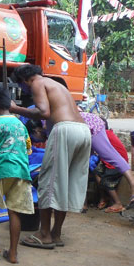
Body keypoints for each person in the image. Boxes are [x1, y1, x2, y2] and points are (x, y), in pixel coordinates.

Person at [9, 64, 91, 249]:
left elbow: (43, 112)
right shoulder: (56, 84)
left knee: (48, 182)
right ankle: (56, 233)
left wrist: (15, 109)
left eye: (21, 86)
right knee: (65, 184)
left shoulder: (37, 83)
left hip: (66, 130)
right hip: (83, 132)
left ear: (24, 81)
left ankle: (44, 234)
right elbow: (52, 116)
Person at [0, 88, 33, 264]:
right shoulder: (21, 125)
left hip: (1, 170)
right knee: (14, 210)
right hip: (22, 172)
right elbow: (28, 150)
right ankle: (13, 253)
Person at [79, 114, 134, 211]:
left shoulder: (104, 135)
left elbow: (109, 155)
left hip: (113, 165)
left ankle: (118, 202)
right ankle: (100, 198)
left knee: (105, 179)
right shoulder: (105, 133)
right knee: (95, 171)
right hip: (109, 163)